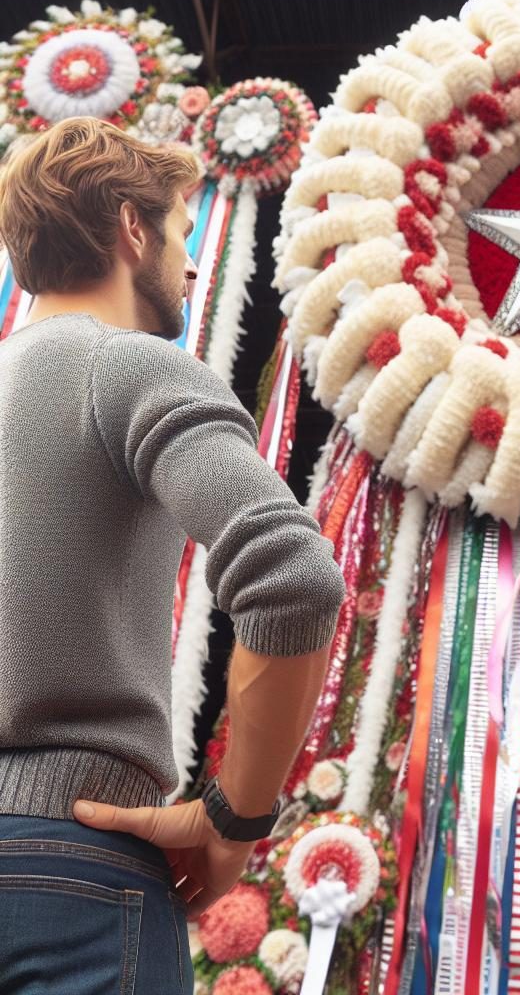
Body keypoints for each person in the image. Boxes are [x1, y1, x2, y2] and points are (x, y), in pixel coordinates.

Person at [0, 117, 346, 994]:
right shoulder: (131, 369)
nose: (192, 265)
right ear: (129, 226)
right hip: (70, 871)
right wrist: (232, 818)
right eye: (183, 232)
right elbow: (292, 579)